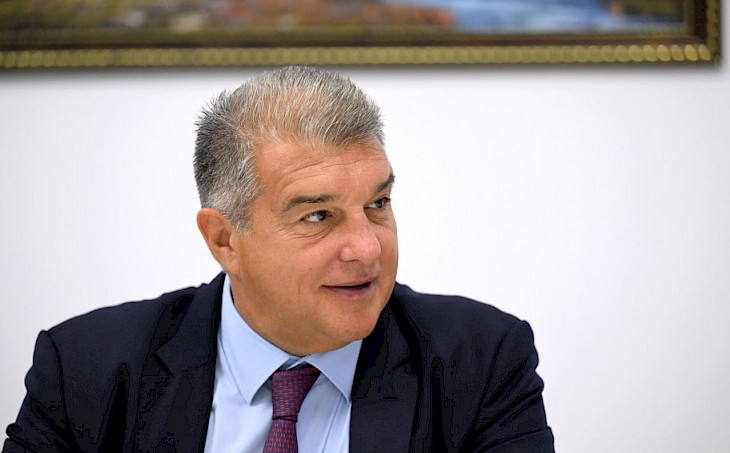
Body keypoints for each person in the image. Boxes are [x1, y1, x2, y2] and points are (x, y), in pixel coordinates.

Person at [3, 66, 554, 452]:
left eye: (378, 204)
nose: (368, 248)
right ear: (224, 240)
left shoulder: (480, 362)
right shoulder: (85, 371)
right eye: (318, 216)